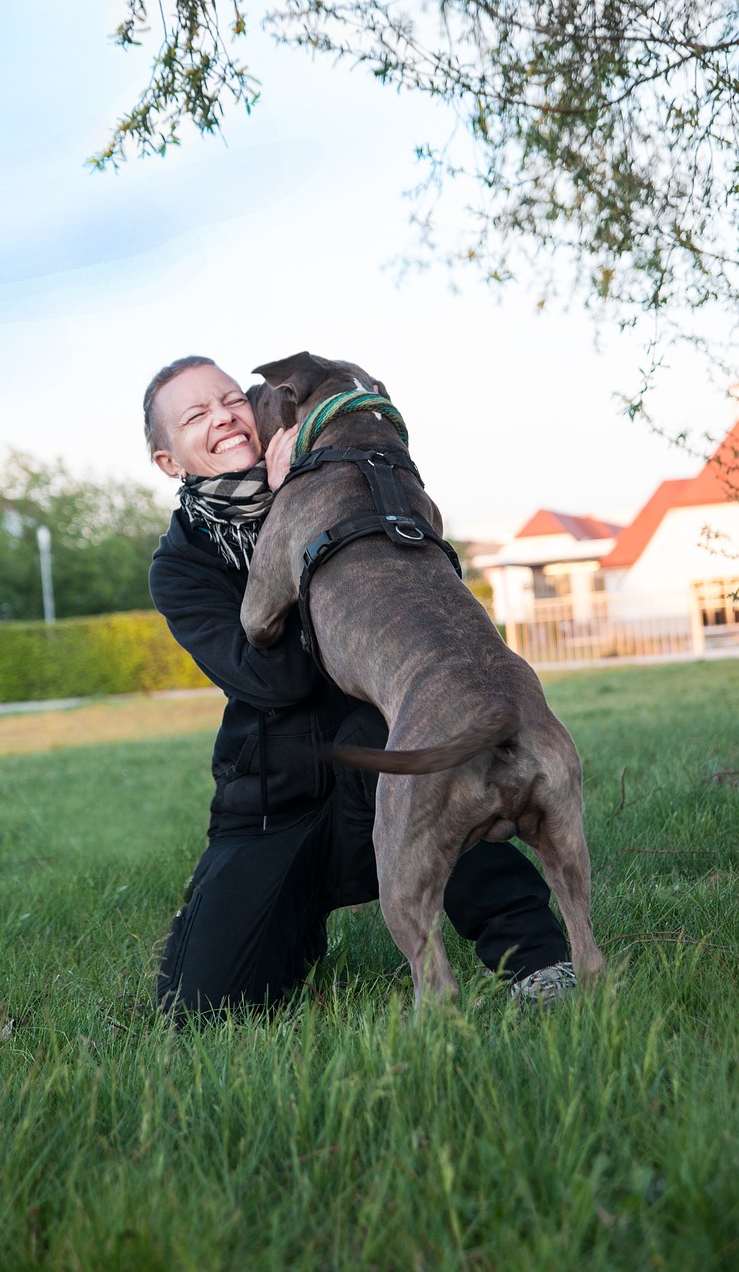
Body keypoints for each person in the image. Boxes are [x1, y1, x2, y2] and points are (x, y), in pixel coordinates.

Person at [145, 354, 576, 1020]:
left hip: (374, 759)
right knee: (198, 1010)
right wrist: (290, 506)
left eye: (230, 399)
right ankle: (289, 917)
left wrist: (312, 489)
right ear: (169, 460)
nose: (224, 418)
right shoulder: (182, 565)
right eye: (196, 416)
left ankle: (536, 959)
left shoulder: (350, 480)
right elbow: (275, 677)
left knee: (428, 735)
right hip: (270, 809)